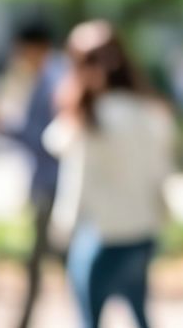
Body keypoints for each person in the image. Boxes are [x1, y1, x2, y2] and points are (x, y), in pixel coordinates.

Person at [43, 20, 175, 328]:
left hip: (102, 235)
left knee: (90, 318)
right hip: (142, 231)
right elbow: (161, 171)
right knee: (139, 312)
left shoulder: (90, 120)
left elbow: (74, 177)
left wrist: (62, 229)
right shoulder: (150, 111)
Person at [0, 21, 67, 328]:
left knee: (46, 257)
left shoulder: (53, 81)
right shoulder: (45, 77)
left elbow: (48, 140)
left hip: (55, 183)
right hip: (50, 181)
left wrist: (5, 127)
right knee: (52, 258)